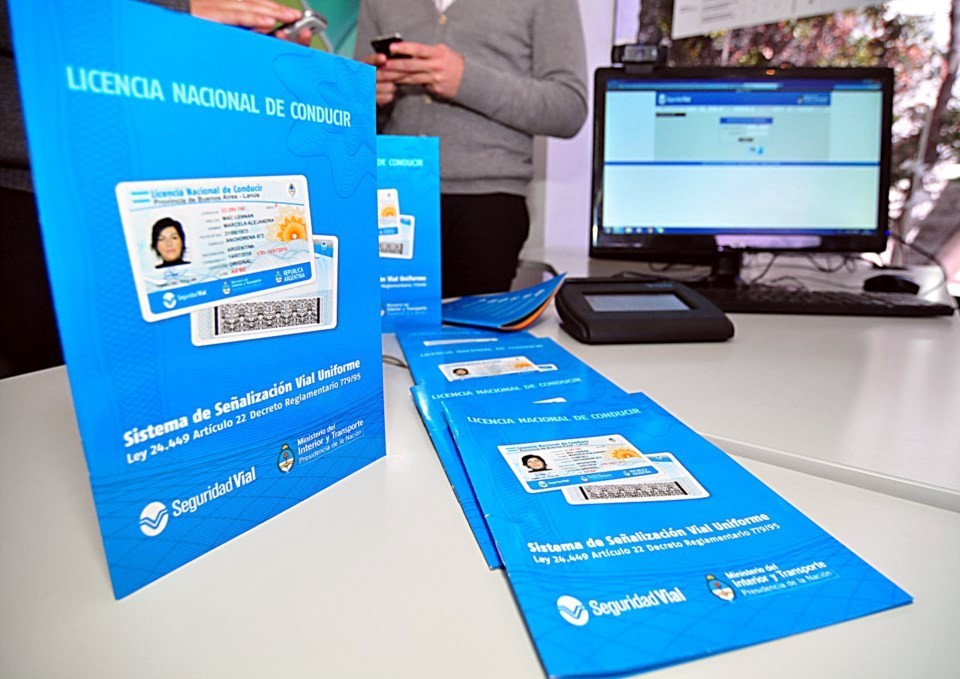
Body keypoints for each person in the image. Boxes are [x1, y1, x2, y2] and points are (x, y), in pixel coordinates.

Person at [0, 0, 311, 378]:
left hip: (178, 167)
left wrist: (254, 51)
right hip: (41, 184)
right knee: (50, 385)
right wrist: (168, 11)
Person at [355, 0, 588, 298]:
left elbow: (569, 108)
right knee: (381, 325)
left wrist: (465, 80)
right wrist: (370, 96)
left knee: (468, 327)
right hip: (392, 195)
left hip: (487, 207)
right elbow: (355, 113)